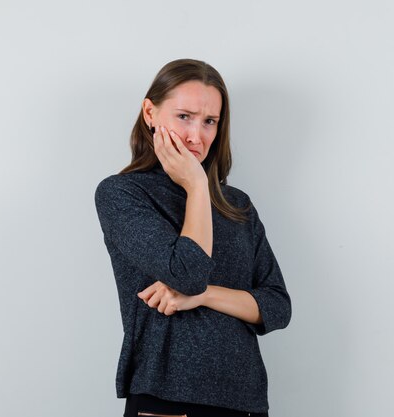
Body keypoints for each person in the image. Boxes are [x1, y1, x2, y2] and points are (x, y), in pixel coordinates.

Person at [94, 59, 292, 417]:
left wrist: (203, 296)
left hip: (244, 399)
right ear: (150, 113)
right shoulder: (123, 194)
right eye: (184, 116)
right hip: (166, 398)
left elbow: (277, 307)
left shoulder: (237, 205)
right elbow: (188, 272)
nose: (195, 136)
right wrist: (197, 185)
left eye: (209, 122)